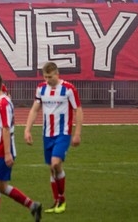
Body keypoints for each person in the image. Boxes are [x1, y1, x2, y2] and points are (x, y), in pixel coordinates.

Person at [0, 71, 43, 222]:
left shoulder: (2, 103)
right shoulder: (1, 101)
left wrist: (7, 153)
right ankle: (33, 205)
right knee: (1, 186)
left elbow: (6, 128)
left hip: (2, 150)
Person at [23, 62, 83, 214]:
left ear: (57, 74)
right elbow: (35, 109)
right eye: (45, 77)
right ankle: (57, 201)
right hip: (47, 134)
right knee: (51, 169)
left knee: (56, 163)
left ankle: (61, 199)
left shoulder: (68, 89)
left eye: (50, 77)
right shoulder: (41, 88)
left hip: (63, 133)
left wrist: (77, 133)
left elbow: (78, 110)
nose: (47, 80)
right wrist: (27, 130)